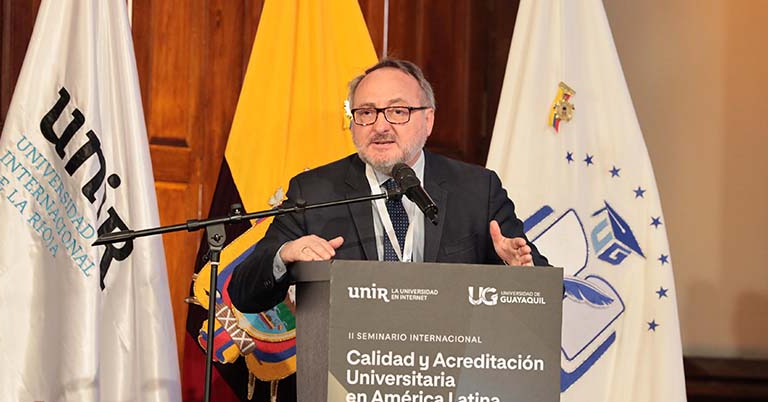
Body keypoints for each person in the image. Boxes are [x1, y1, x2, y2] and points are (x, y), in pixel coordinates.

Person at [228, 59, 548, 313]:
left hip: (455, 374)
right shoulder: (313, 192)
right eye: (366, 112)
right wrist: (285, 255)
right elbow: (243, 293)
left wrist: (515, 270)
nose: (380, 126)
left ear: (428, 120)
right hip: (349, 377)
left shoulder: (477, 190)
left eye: (398, 111)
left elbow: (548, 292)